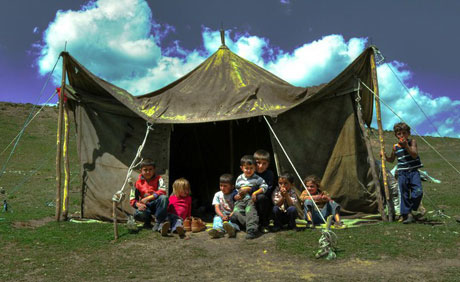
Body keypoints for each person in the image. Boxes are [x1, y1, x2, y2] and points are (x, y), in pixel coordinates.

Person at [382, 122, 423, 224]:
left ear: (408, 133)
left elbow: (414, 154)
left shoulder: (412, 142)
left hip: (413, 172)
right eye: (399, 134)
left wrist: (406, 146)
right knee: (404, 194)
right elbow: (391, 159)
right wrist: (385, 156)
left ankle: (412, 208)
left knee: (418, 192)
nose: (402, 136)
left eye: (404, 133)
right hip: (402, 173)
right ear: (396, 135)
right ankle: (408, 215)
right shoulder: (395, 147)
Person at [231, 155, 268, 239]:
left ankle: (252, 230)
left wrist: (255, 192)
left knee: (250, 212)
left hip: (250, 200)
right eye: (246, 168)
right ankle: (252, 225)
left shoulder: (257, 178)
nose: (249, 170)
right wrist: (235, 196)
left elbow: (264, 187)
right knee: (236, 212)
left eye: (251, 168)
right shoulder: (239, 178)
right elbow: (236, 189)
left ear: (255, 168)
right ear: (242, 168)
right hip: (240, 201)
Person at [129, 158, 169, 235]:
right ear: (141, 170)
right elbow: (132, 199)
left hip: (157, 204)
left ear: (154, 170)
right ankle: (147, 221)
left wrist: (148, 198)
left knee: (164, 198)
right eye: (145, 170)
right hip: (146, 206)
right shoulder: (137, 183)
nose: (148, 172)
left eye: (150, 169)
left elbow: (162, 191)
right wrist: (138, 204)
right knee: (138, 214)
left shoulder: (159, 179)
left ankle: (159, 222)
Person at [208, 174, 240, 239]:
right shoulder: (217, 194)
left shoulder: (235, 195)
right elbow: (217, 208)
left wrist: (230, 215)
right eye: (221, 185)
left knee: (233, 220)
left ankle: (232, 230)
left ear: (232, 187)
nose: (222, 188)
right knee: (217, 219)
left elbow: (238, 207)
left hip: (232, 214)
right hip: (222, 214)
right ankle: (218, 231)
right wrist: (222, 216)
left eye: (225, 186)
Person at [253, 149, 275, 233]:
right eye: (258, 163)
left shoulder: (269, 174)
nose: (260, 166)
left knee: (261, 197)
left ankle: (264, 224)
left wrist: (255, 192)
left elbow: (268, 190)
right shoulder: (250, 172)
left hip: (264, 200)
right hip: (251, 198)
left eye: (264, 163)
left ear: (268, 164)